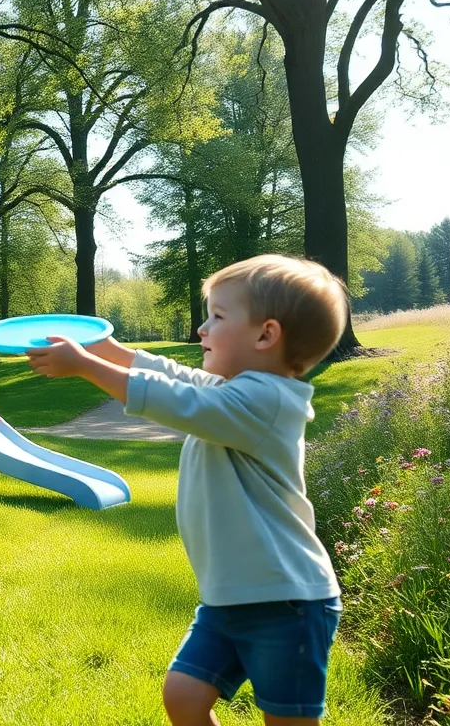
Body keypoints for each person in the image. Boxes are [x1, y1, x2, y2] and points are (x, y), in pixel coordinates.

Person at [26, 254, 348, 726]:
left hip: (286, 599)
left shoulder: (268, 400)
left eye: (217, 317)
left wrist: (88, 366)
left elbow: (179, 400)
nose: (201, 328)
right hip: (229, 598)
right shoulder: (235, 387)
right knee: (183, 696)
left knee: (287, 720)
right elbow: (178, 378)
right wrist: (111, 350)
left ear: (266, 335)